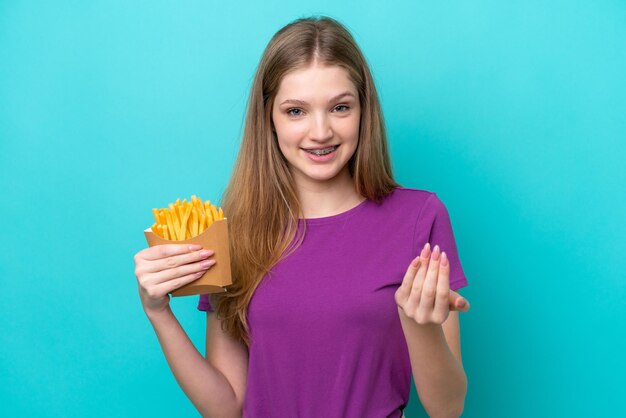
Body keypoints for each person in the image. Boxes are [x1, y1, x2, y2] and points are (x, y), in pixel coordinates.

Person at [134, 15, 471, 418]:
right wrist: (159, 312)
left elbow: (447, 408)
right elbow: (226, 408)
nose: (320, 131)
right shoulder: (231, 232)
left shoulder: (419, 217)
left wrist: (420, 326)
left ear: (364, 111)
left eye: (340, 107)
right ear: (269, 119)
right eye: (296, 111)